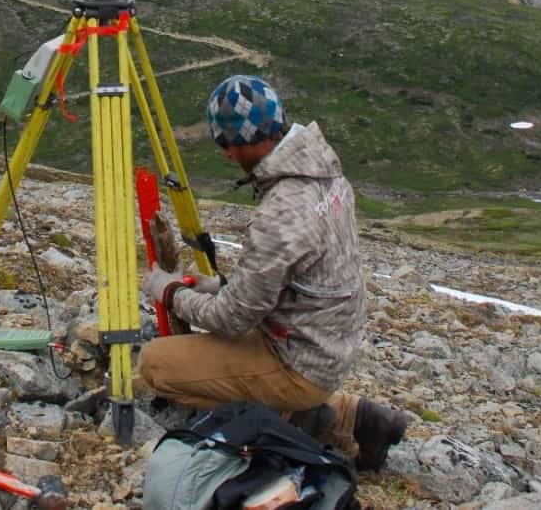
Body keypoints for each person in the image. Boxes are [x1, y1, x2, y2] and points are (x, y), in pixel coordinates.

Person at [137, 75, 408, 471]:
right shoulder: (324, 169)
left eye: (227, 144)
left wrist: (168, 290)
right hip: (326, 338)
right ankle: (354, 416)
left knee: (155, 364)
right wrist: (220, 286)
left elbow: (230, 320)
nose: (227, 155)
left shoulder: (283, 212)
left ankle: (306, 416)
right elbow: (294, 273)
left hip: (299, 359)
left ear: (246, 142)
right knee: (219, 324)